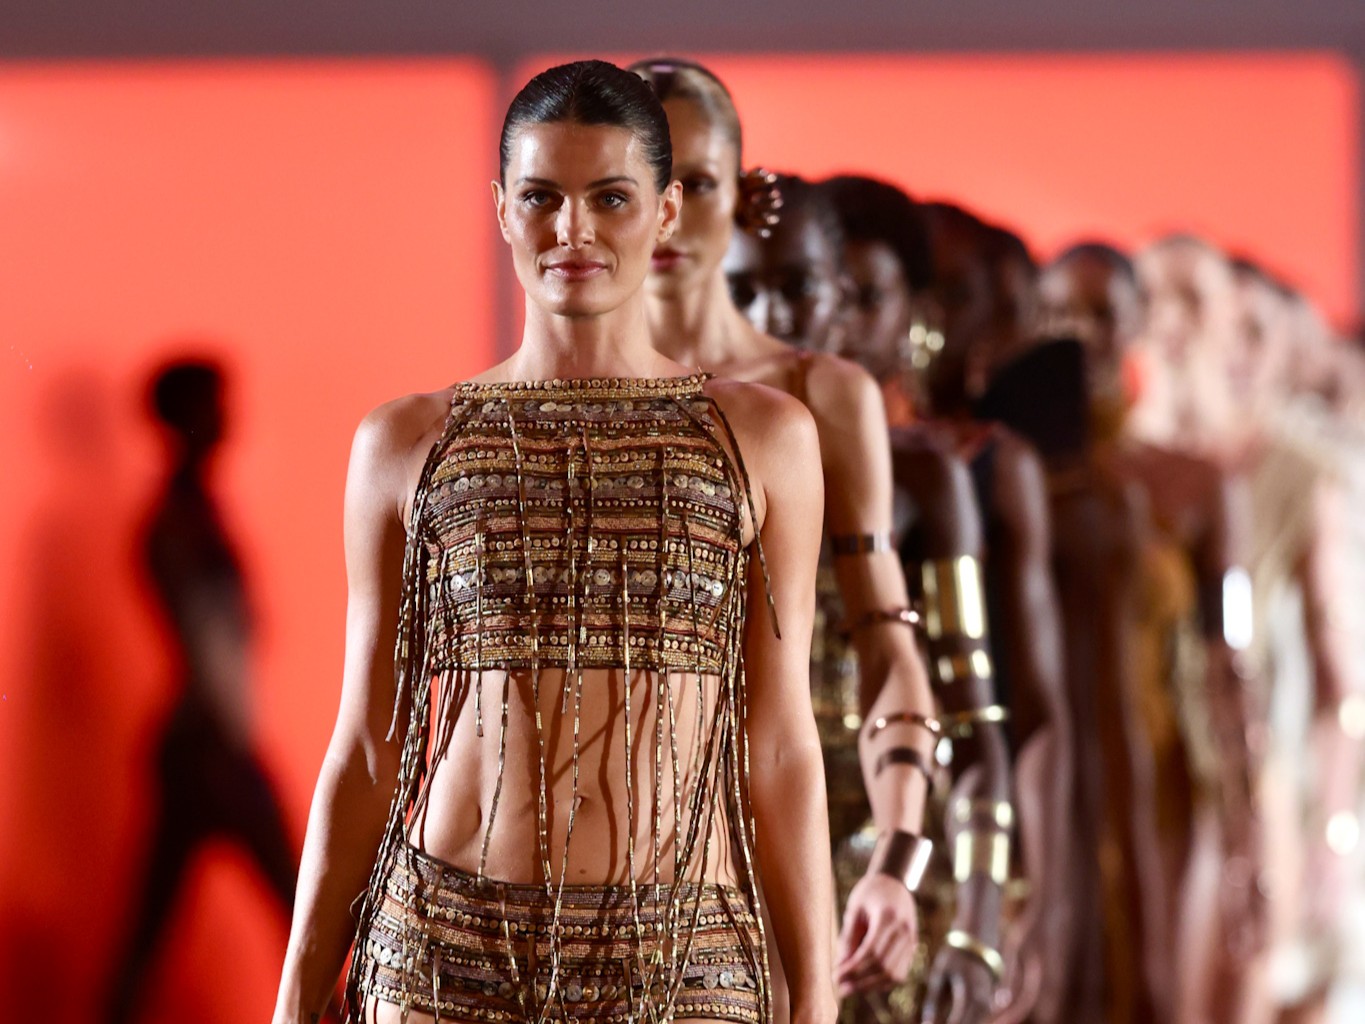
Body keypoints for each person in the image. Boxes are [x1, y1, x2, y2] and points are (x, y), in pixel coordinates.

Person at [271, 60, 835, 1024]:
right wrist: (293, 996)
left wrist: (814, 998)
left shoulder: (763, 436)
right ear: (501, 209)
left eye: (609, 197)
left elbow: (780, 742)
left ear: (664, 212)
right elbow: (368, 742)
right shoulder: (404, 441)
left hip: (682, 962)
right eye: (541, 197)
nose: (571, 229)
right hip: (442, 956)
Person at [629, 57, 998, 1024]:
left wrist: (897, 856)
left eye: (695, 182)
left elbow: (888, 641)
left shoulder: (820, 396)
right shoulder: (545, 407)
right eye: (638, 183)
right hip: (604, 878)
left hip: (798, 858)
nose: (667, 216)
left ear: (746, 196)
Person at [824, 175, 1071, 1024]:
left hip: (934, 832)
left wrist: (1015, 900)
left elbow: (1026, 707)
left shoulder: (959, 469)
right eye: (830, 293)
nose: (844, 320)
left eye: (868, 296)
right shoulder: (764, 450)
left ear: (912, 309)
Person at [1039, 243, 1264, 1024]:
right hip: (1044, 769)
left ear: (1137, 324)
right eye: (1059, 312)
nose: (1080, 332)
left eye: (1102, 313)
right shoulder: (1010, 470)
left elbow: (1228, 655)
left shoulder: (1193, 482)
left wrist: (1245, 824)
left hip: (1159, 773)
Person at [107, 359, 298, 1023]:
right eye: (215, 404)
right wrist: (240, 740)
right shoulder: (180, 524)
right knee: (301, 905)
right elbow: (210, 640)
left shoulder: (189, 515)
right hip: (213, 745)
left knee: (152, 931)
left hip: (199, 744)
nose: (227, 417)